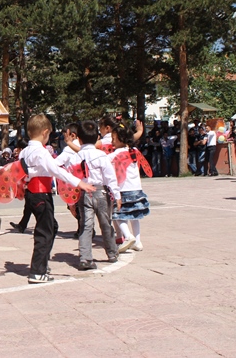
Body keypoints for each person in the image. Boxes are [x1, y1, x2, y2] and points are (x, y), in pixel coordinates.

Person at [19, 114, 96, 283]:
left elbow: (22, 171)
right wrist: (78, 183)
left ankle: (41, 265)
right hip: (41, 193)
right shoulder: (41, 151)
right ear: (45, 132)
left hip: (32, 194)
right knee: (45, 231)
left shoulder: (24, 151)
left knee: (50, 227)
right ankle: (38, 271)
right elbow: (56, 170)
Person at [75, 121, 121, 271]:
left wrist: (70, 201)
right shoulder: (101, 155)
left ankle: (85, 257)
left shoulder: (76, 156)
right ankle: (112, 253)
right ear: (97, 138)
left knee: (86, 225)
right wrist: (117, 195)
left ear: (79, 139)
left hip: (83, 193)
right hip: (101, 192)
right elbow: (110, 177)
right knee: (105, 223)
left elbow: (70, 177)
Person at [109, 122, 150, 253]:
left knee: (118, 215)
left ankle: (128, 236)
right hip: (137, 188)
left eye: (113, 139)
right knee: (135, 215)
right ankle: (138, 241)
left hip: (123, 190)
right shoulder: (135, 151)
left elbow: (104, 162)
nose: (112, 142)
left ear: (121, 139)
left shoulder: (115, 154)